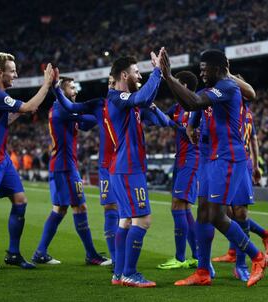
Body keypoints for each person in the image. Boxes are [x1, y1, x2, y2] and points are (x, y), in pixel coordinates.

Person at [160, 48, 268, 287]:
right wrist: (192, 129)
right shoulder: (206, 91)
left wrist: (168, 77)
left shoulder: (228, 87)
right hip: (209, 160)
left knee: (218, 216)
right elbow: (192, 110)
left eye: (204, 68)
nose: (201, 72)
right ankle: (202, 271)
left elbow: (195, 101)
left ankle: (258, 257)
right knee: (202, 215)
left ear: (219, 69)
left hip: (227, 159)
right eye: (199, 68)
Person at [53, 72, 171, 268]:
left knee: (125, 217)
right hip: (108, 166)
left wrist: (153, 107)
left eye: (111, 82)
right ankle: (118, 262)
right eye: (107, 83)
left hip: (123, 165)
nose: (110, 86)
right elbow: (79, 117)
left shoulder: (132, 105)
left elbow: (163, 121)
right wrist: (58, 93)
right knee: (113, 210)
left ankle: (121, 267)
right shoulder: (101, 106)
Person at [0, 52, 54, 270]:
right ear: (0, 72)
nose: (16, 75)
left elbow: (5, 118)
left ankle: (13, 254)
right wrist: (46, 85)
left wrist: (19, 113)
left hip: (2, 158)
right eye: (12, 70)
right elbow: (26, 106)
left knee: (20, 200)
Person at [32, 76, 109, 266]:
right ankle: (91, 254)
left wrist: (90, 117)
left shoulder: (63, 110)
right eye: (72, 88)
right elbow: (90, 119)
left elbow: (86, 123)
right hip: (64, 167)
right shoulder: (61, 108)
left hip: (62, 165)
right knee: (77, 207)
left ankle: (41, 252)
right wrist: (99, 113)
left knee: (62, 209)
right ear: (62, 91)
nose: (76, 91)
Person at [106, 49, 163, 287]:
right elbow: (141, 98)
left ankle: (119, 274)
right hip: (128, 169)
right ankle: (130, 272)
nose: (139, 75)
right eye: (136, 72)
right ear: (123, 75)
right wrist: (157, 71)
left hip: (124, 168)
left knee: (126, 221)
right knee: (143, 219)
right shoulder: (116, 97)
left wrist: (182, 125)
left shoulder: (131, 102)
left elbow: (157, 116)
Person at [212, 102, 268, 282]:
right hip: (223, 162)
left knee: (240, 212)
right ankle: (261, 236)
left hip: (242, 164)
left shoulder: (246, 112)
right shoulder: (226, 107)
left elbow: (253, 139)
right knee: (223, 214)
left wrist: (256, 165)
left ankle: (241, 264)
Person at [156, 71, 200, 270]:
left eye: (177, 84)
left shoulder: (198, 105)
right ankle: (195, 256)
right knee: (184, 208)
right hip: (180, 160)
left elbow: (195, 132)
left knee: (177, 206)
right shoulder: (177, 107)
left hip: (192, 160)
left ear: (185, 86)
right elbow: (163, 119)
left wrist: (175, 126)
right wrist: (151, 109)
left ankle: (180, 258)